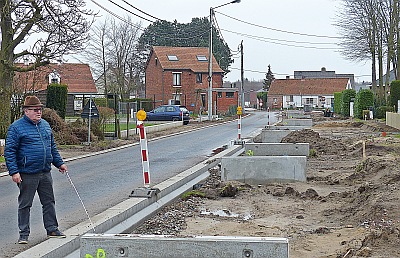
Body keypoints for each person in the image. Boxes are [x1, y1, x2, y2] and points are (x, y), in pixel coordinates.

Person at [4, 95, 68, 244]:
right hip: (27, 173)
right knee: (25, 204)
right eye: (35, 110)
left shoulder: (45, 125)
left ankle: (52, 229)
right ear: (26, 111)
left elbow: (52, 147)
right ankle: (24, 234)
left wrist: (59, 164)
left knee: (49, 201)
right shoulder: (16, 128)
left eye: (40, 110)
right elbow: (10, 151)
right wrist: (14, 172)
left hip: (45, 172)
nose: (38, 112)